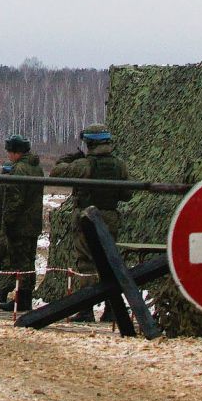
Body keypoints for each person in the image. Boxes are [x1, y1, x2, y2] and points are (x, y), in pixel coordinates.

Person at [52, 124, 133, 319]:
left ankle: (86, 309)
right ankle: (112, 309)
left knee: (87, 264)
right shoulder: (119, 165)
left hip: (86, 217)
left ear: (89, 143)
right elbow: (127, 194)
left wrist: (71, 158)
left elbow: (56, 172)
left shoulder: (83, 165)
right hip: (110, 218)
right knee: (109, 262)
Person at [0, 135, 44, 312]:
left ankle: (22, 300)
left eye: (10, 151)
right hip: (33, 223)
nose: (8, 155)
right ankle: (25, 297)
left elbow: (14, 200)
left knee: (19, 263)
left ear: (16, 152)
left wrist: (8, 223)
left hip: (19, 225)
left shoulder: (18, 170)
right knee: (29, 261)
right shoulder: (37, 169)